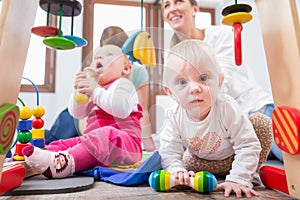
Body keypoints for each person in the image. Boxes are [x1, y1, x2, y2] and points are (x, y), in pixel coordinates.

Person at [161, 0, 280, 161]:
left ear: (194, 9)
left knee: (291, 153)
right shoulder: (171, 55)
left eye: (178, 2)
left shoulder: (220, 35)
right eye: (166, 5)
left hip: (254, 110)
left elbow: (222, 84)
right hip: (223, 129)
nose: (172, 9)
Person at [160, 39, 269, 197]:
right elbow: (169, 151)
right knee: (184, 160)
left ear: (219, 82)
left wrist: (238, 178)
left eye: (203, 78)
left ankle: (247, 172)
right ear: (170, 92)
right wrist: (177, 171)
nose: (195, 88)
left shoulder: (227, 107)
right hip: (199, 162)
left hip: (232, 158)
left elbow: (247, 145)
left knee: (262, 124)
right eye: (182, 82)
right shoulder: (173, 115)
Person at [22, 45, 143, 178]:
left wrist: (94, 91)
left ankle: (63, 164)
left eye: (109, 54)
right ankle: (37, 155)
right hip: (96, 146)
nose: (100, 57)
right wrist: (78, 91)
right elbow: (76, 113)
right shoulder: (95, 90)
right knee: (66, 143)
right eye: (96, 57)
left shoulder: (123, 85)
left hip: (125, 145)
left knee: (106, 135)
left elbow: (121, 109)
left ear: (125, 68)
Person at [45, 26, 157, 152]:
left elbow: (142, 111)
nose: (103, 59)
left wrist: (149, 145)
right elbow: (81, 114)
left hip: (107, 124)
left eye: (112, 53)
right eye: (102, 54)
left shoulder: (138, 73)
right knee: (51, 140)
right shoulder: (94, 72)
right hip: (80, 119)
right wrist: (90, 139)